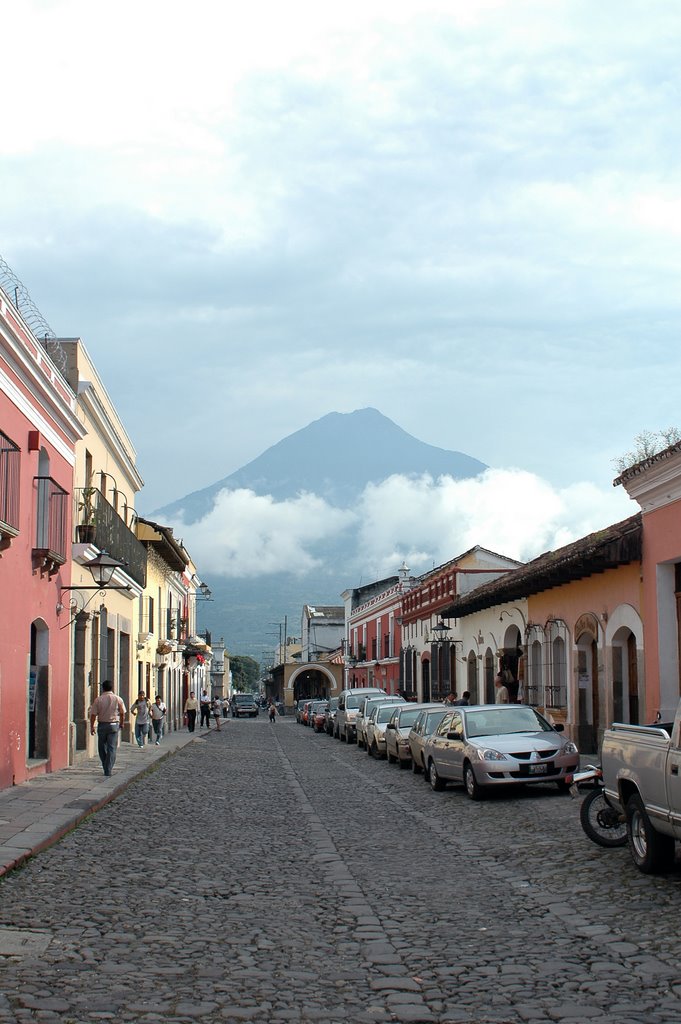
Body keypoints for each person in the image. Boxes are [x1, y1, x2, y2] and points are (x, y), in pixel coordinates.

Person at [89, 680, 126, 777]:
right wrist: (121, 723)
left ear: (103, 688)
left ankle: (106, 766)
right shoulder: (118, 699)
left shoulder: (98, 700)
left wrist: (91, 726)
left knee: (102, 747)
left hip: (102, 725)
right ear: (112, 688)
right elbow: (122, 713)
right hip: (114, 725)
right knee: (112, 748)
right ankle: (108, 768)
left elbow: (93, 715)